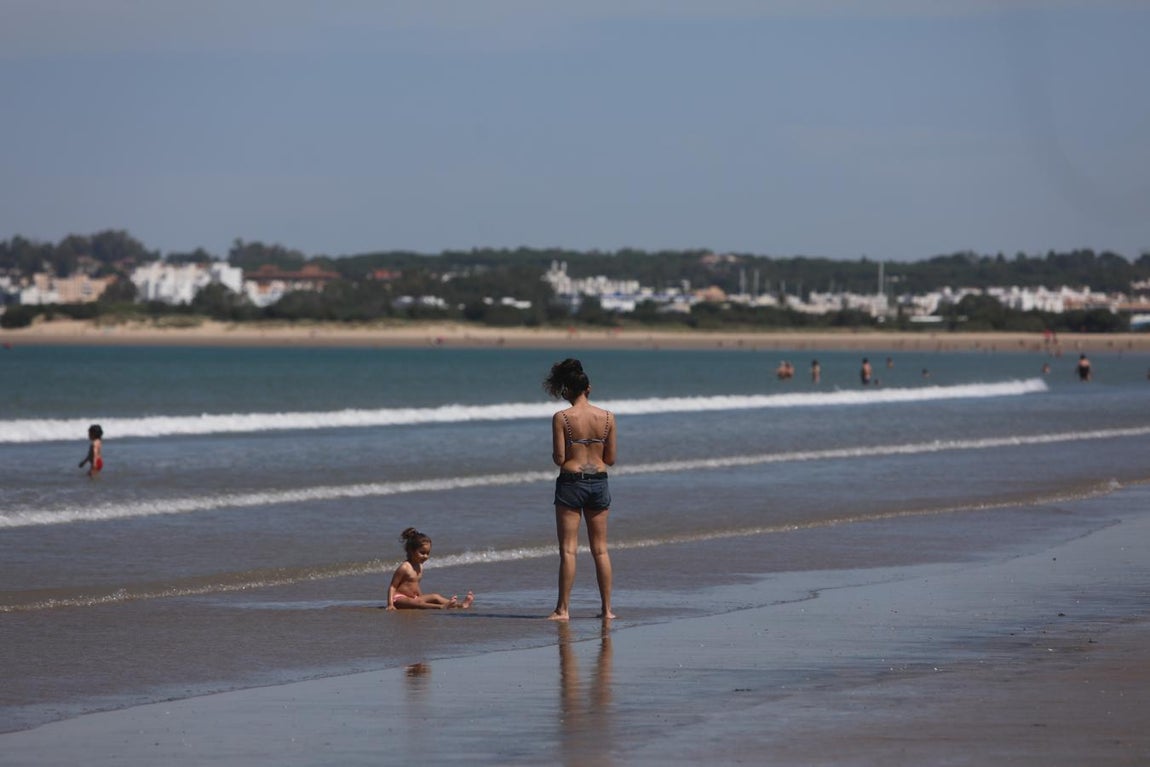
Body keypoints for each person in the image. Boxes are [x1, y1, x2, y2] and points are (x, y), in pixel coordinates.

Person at [543, 358, 617, 621]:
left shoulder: (562, 417)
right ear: (589, 388)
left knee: (568, 550)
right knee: (600, 549)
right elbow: (610, 459)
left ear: (567, 391)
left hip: (571, 482)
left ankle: (563, 609)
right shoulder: (607, 417)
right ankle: (607, 610)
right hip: (599, 481)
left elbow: (560, 459)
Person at [386, 527, 474, 610]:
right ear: (411, 551)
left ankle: (460, 605)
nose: (425, 556)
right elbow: (392, 587)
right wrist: (390, 604)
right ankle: (441, 607)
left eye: (428, 553)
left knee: (435, 596)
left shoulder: (419, 566)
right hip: (399, 599)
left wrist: (422, 597)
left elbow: (415, 585)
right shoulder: (405, 567)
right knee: (418, 603)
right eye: (422, 553)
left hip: (413, 598)